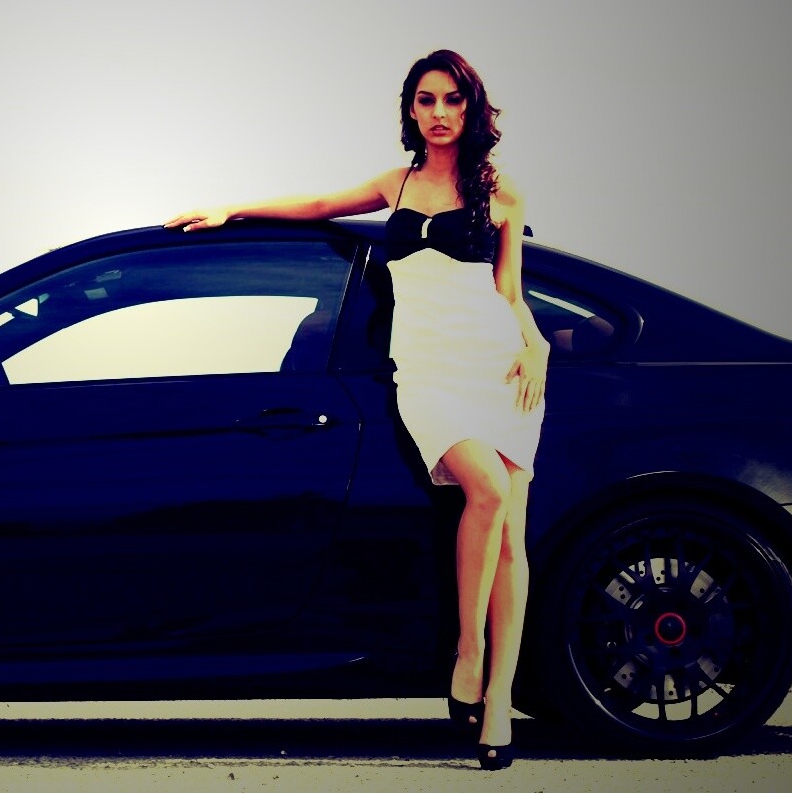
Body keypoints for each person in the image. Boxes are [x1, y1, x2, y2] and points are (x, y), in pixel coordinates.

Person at [163, 48, 547, 770]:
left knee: (510, 539)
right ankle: (467, 652)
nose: (439, 113)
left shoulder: (503, 192)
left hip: (498, 364)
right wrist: (233, 208)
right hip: (429, 370)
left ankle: (497, 700)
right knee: (488, 491)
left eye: (452, 100)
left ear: (471, 108)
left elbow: (509, 292)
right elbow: (316, 206)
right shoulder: (394, 184)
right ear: (411, 109)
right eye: (426, 100)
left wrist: (537, 349)